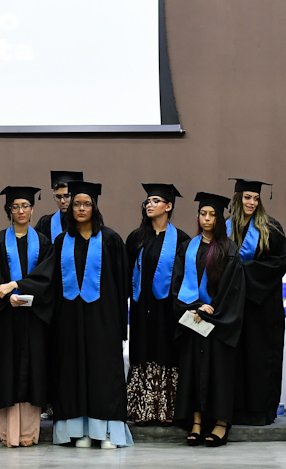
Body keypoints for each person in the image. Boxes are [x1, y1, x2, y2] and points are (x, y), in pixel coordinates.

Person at [49, 181, 132, 448]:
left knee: (103, 372)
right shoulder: (61, 241)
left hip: (103, 319)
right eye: (77, 204)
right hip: (69, 319)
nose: (81, 208)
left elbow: (122, 284)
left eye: (87, 204)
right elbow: (53, 284)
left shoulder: (111, 239)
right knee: (72, 371)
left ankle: (106, 432)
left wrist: (118, 323)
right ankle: (78, 431)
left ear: (95, 207)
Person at [0, 187, 55, 447]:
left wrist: (18, 287)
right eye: (15, 206)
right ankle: (8, 433)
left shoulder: (44, 243)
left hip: (34, 318)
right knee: (6, 372)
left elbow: (47, 277)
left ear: (32, 209)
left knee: (33, 374)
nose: (21, 211)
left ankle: (29, 434)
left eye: (25, 206)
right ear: (9, 210)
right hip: (4, 319)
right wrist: (7, 296)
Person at [173, 192, 246, 447]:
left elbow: (233, 290)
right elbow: (178, 284)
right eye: (202, 213)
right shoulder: (188, 248)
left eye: (212, 214)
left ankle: (220, 424)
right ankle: (196, 422)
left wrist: (211, 311)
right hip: (193, 320)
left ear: (219, 219)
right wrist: (195, 308)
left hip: (218, 323)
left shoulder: (229, 250)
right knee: (193, 371)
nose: (206, 218)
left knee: (219, 374)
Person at [125, 183, 190, 424]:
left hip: (168, 311)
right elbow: (126, 273)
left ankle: (167, 411)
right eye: (148, 201)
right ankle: (141, 410)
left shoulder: (182, 240)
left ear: (168, 206)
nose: (149, 205)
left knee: (166, 352)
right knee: (142, 352)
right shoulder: (136, 238)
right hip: (142, 308)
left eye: (155, 201)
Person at [226, 178, 286, 426]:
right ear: (237, 199)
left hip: (263, 305)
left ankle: (261, 411)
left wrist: (242, 271)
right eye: (247, 197)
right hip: (233, 304)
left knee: (260, 358)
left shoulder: (271, 228)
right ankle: (234, 409)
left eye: (255, 198)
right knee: (236, 358)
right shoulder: (226, 228)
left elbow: (278, 264)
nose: (252, 202)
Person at [36, 170, 84, 243]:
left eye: (66, 196)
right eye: (58, 197)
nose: (62, 201)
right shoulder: (45, 223)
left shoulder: (85, 222)